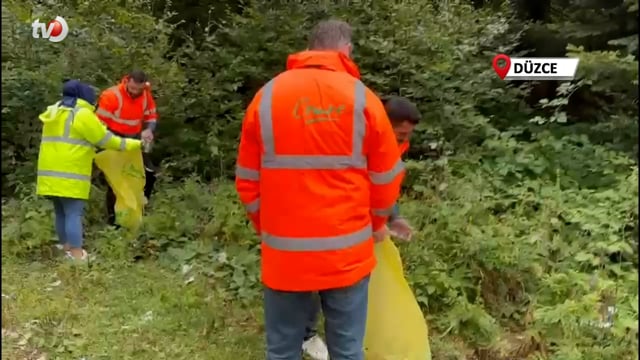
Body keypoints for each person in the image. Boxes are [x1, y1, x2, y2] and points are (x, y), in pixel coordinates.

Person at [235, 19, 404, 360]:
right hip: (347, 256)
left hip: (285, 257)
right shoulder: (363, 99)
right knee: (347, 351)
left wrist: (267, 228)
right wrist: (372, 225)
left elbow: (247, 180)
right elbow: (386, 179)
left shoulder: (266, 97)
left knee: (282, 350)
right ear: (347, 51)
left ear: (309, 47)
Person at [301, 96, 422, 359]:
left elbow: (381, 185)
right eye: (400, 134)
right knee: (314, 275)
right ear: (382, 124)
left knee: (347, 283)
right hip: (326, 219)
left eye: (407, 136)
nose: (403, 141)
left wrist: (393, 218)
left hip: (358, 228)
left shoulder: (395, 145)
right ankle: (307, 334)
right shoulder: (353, 143)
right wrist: (373, 224)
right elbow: (343, 189)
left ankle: (346, 339)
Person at [36, 80, 143, 260]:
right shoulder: (82, 114)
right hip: (71, 173)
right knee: (73, 213)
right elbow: (106, 140)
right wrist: (137, 144)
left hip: (49, 173)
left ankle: (66, 249)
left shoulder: (53, 111)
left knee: (61, 212)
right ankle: (77, 255)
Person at [95, 70, 159, 226]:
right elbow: (97, 124)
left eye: (139, 89)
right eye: (132, 89)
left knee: (148, 174)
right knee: (115, 182)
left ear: (144, 85)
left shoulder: (145, 94)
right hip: (113, 140)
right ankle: (113, 222)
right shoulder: (111, 96)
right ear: (127, 81)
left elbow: (151, 115)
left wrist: (149, 129)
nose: (135, 92)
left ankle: (139, 208)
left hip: (134, 140)